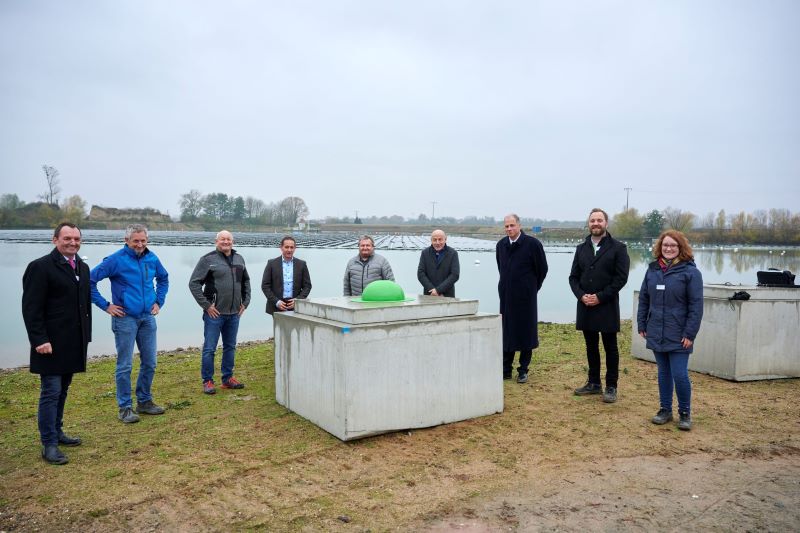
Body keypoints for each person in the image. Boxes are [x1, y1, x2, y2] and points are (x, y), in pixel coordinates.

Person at [22, 223, 92, 465]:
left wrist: (86, 337)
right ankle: (48, 443)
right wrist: (39, 339)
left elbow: (84, 306)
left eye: (76, 238)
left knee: (62, 390)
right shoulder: (40, 267)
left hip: (73, 342)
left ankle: (58, 432)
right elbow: (31, 308)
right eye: (67, 238)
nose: (72, 242)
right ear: (55, 240)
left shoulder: (82, 267)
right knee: (50, 392)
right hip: (49, 343)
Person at [90, 224, 169, 424]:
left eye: (143, 240)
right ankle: (125, 407)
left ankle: (144, 401)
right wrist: (106, 306)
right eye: (136, 241)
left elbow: (164, 278)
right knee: (125, 365)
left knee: (150, 362)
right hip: (124, 319)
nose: (140, 244)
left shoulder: (152, 258)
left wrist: (159, 301)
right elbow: (89, 281)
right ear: (127, 240)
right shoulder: (115, 260)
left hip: (147, 318)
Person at [637, 230, 703, 431]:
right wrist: (642, 324)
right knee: (663, 373)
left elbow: (696, 305)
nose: (668, 248)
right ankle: (665, 409)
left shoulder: (691, 273)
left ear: (680, 248)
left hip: (679, 333)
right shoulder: (652, 270)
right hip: (656, 329)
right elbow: (644, 298)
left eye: (673, 245)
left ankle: (685, 413)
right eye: (665, 245)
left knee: (680, 374)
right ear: (660, 246)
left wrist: (689, 333)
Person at [569, 208, 630, 403]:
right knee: (590, 345)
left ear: (606, 223)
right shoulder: (581, 248)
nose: (596, 223)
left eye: (599, 220)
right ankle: (594, 383)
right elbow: (573, 278)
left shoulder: (618, 248)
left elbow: (621, 279)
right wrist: (581, 296)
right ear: (589, 224)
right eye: (592, 220)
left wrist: (600, 297)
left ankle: (611, 386)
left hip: (606, 305)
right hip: (585, 305)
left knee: (610, 347)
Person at [189, 230, 251, 395]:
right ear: (216, 241)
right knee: (210, 348)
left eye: (228, 239)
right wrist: (207, 306)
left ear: (233, 241)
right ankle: (208, 381)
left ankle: (227, 379)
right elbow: (194, 284)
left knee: (230, 346)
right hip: (214, 314)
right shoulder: (207, 260)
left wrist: (245, 302)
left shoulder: (239, 259)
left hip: (234, 314)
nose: (226, 242)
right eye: (222, 239)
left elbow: (245, 282)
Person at [496, 214, 548, 384]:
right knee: (506, 331)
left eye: (512, 225)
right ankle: (506, 369)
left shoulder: (533, 245)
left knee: (526, 332)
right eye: (506, 226)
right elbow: (501, 268)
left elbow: (542, 269)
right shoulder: (501, 245)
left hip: (526, 297)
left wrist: (532, 287)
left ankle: (523, 369)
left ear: (519, 225)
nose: (509, 229)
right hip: (506, 296)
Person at [261, 235, 312, 315]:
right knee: (279, 328)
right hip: (276, 306)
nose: (289, 250)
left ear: (295, 248)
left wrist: (298, 300)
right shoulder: (271, 263)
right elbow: (265, 286)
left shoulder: (302, 264)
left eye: (292, 247)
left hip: (295, 306)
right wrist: (276, 302)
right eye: (286, 247)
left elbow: (307, 286)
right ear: (281, 248)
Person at [417, 229, 460, 297]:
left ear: (445, 239)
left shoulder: (453, 253)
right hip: (429, 295)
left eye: (440, 239)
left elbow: (455, 275)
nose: (437, 242)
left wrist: (438, 290)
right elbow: (420, 273)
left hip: (447, 295)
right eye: (435, 240)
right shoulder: (425, 253)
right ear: (431, 240)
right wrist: (432, 290)